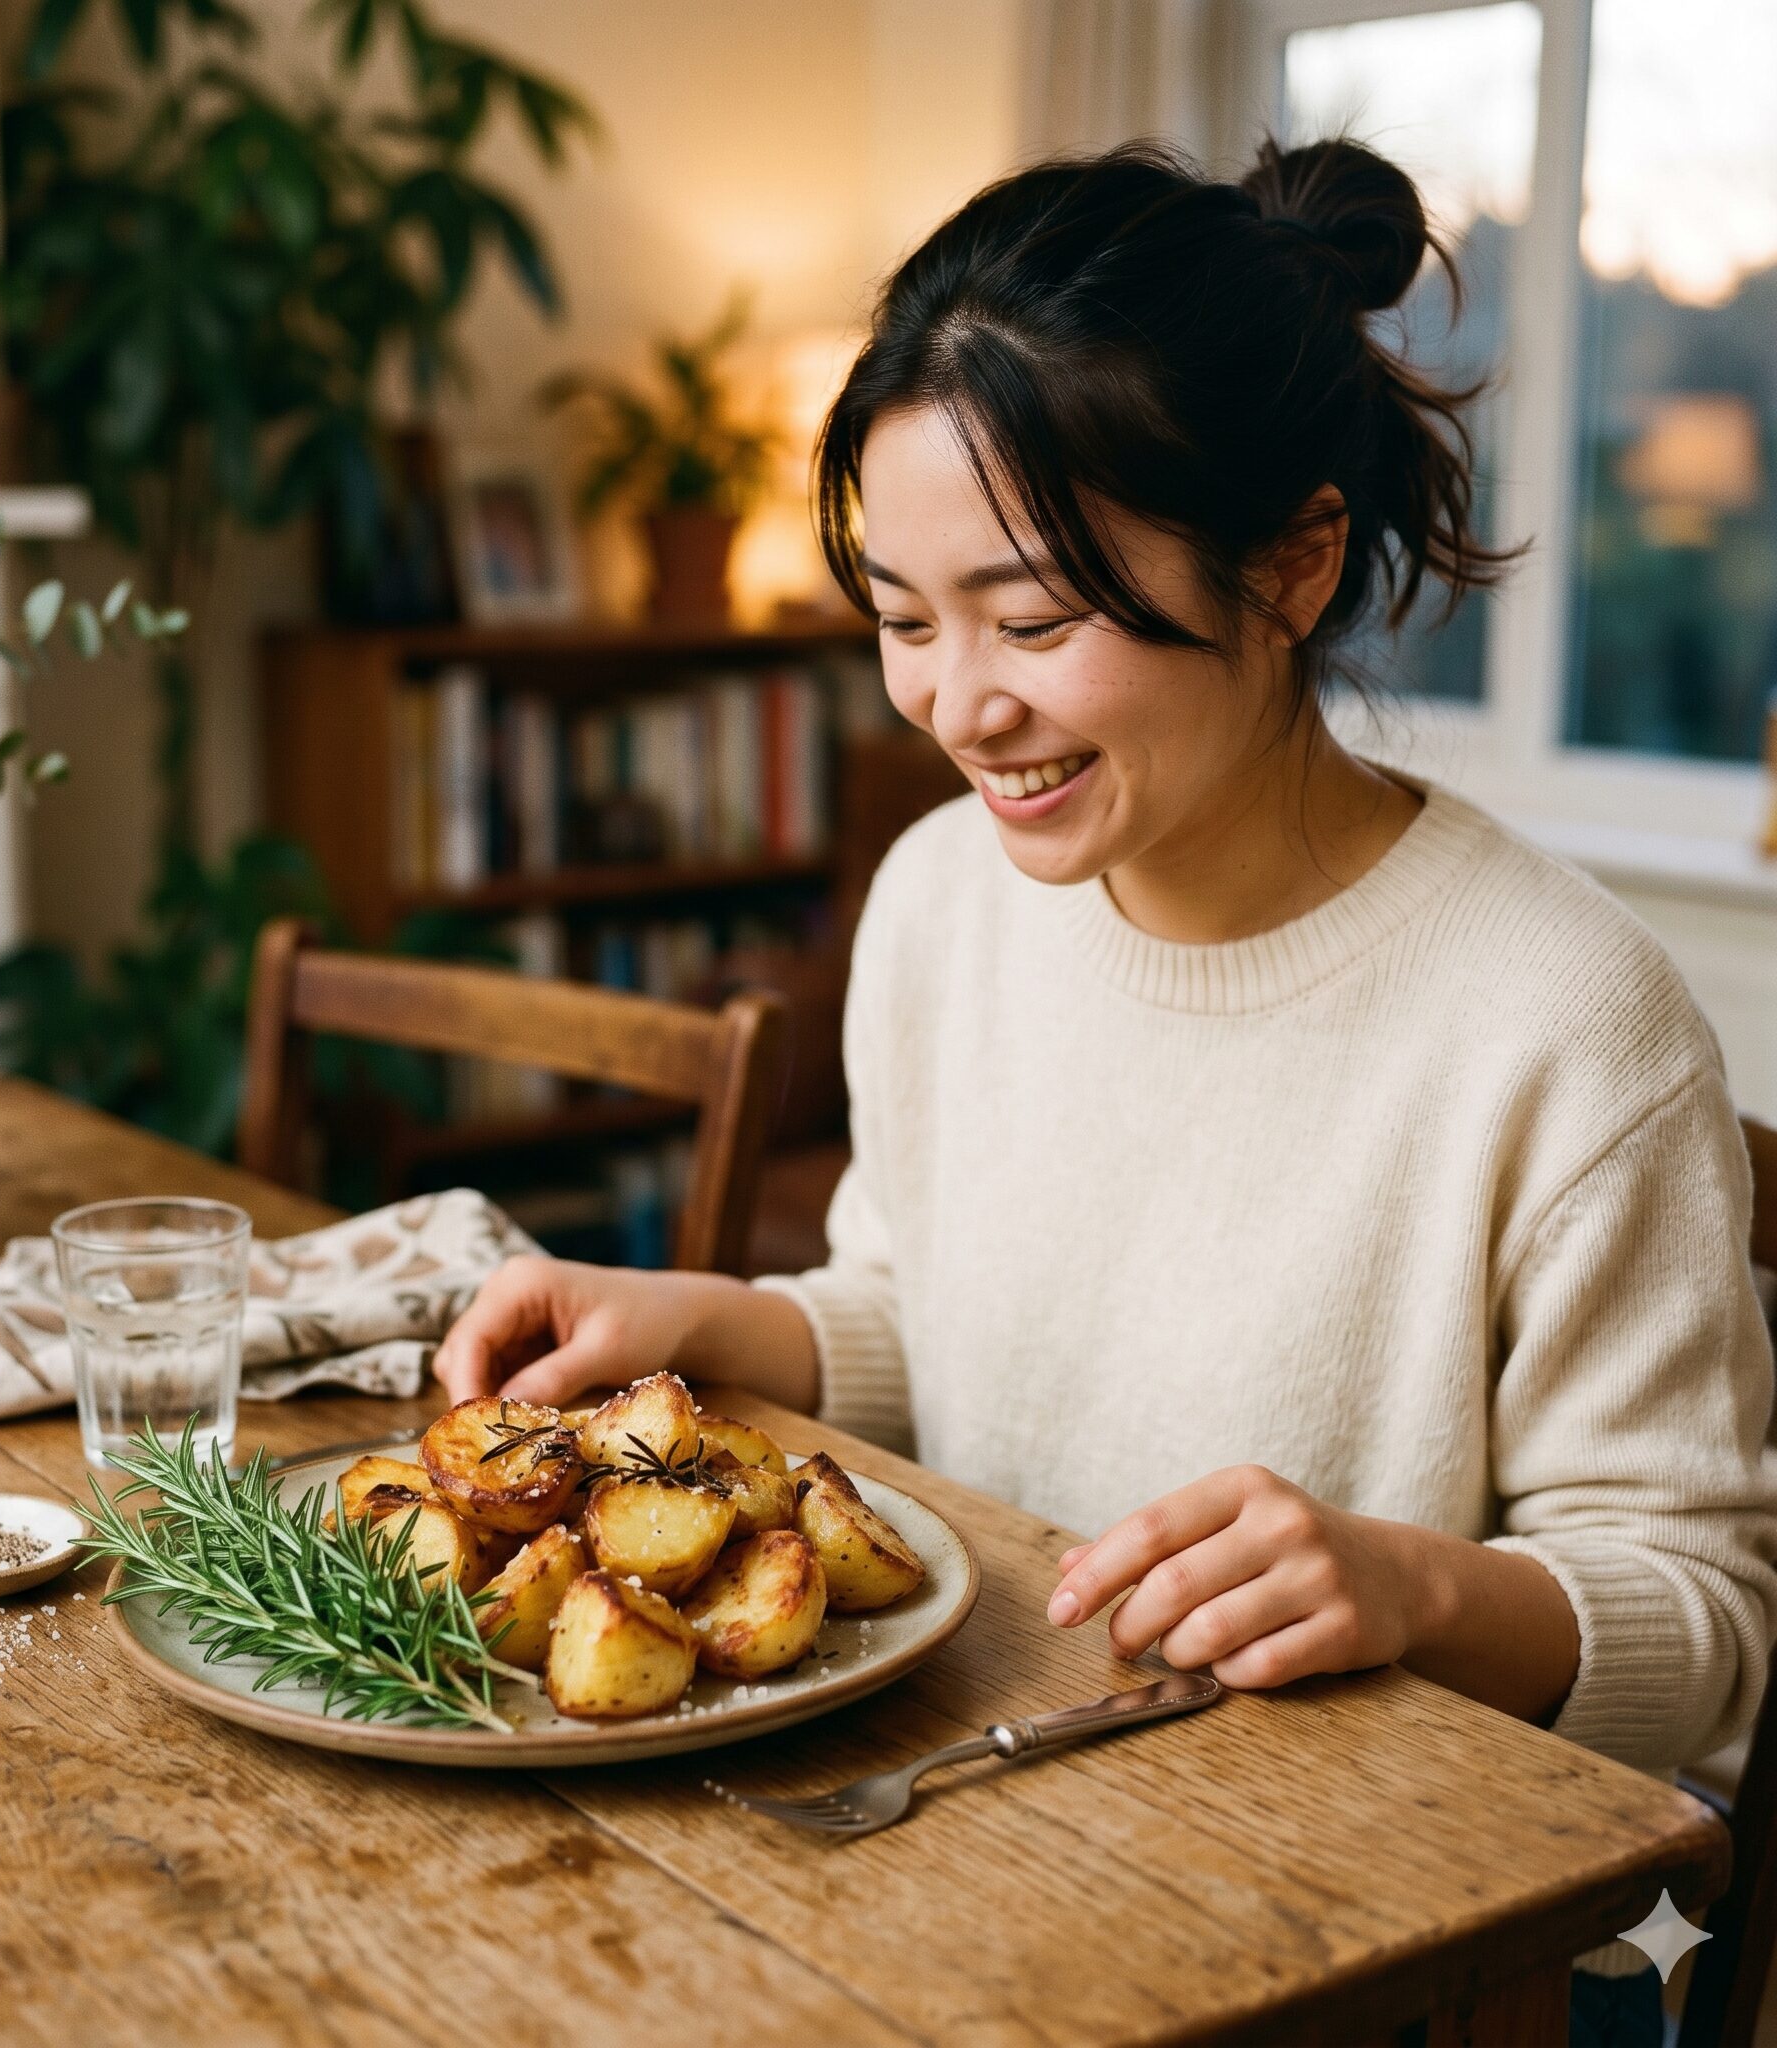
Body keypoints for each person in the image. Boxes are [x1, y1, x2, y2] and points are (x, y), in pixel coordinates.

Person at [435, 139, 1777, 2043]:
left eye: (1035, 619)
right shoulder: (936, 903)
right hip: (962, 1842)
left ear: (1294, 565)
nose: (955, 705)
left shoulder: (1567, 1020)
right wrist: (709, 1317)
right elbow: (929, 1314)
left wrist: (1409, 1588)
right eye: (905, 617)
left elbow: (1704, 1636)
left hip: (1368, 1948)